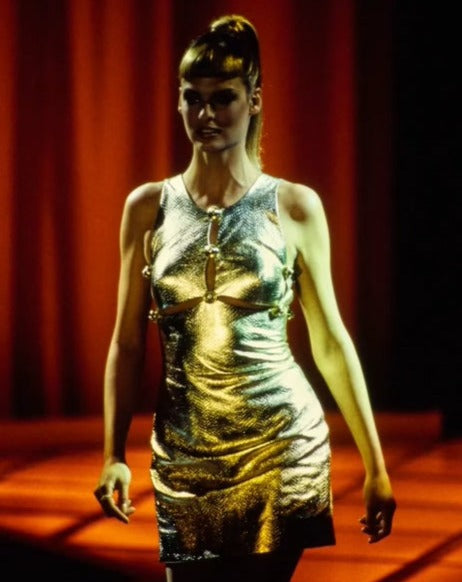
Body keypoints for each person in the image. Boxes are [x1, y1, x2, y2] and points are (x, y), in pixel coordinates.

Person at [94, 14, 396, 582]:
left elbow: (330, 339)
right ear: (179, 100)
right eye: (193, 98)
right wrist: (113, 455)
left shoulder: (296, 206)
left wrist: (375, 466)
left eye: (223, 98)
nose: (205, 114)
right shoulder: (147, 208)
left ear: (253, 101)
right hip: (185, 457)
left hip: (281, 448)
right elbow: (127, 342)